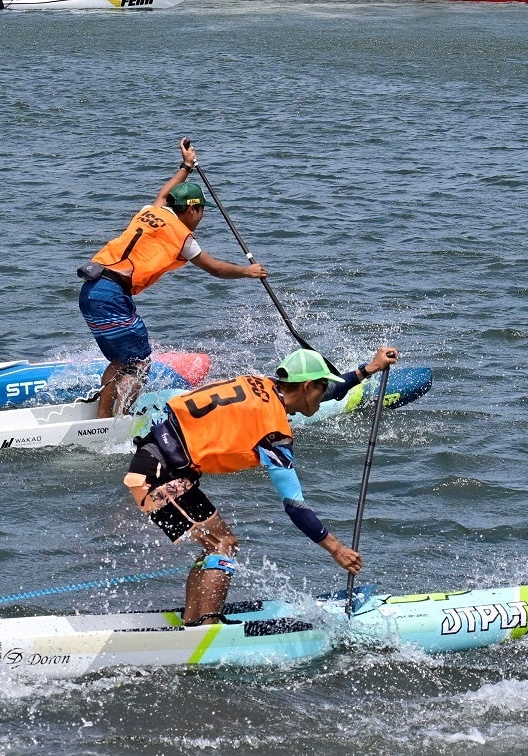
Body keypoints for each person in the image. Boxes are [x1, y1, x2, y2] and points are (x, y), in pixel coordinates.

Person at [123, 347, 398, 626]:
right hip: (159, 478)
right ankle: (207, 628)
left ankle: (194, 622)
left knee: (214, 545)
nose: (325, 394)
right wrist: (336, 548)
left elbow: (324, 394)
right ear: (306, 386)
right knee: (222, 544)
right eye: (322, 385)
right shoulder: (273, 432)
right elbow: (295, 505)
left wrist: (369, 368)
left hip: (156, 464)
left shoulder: (262, 385)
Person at [77, 138, 268, 418]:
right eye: (201, 211)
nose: (201, 218)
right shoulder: (182, 238)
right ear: (192, 209)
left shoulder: (151, 212)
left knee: (122, 360)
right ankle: (118, 420)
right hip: (112, 294)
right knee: (139, 362)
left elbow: (164, 195)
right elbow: (214, 268)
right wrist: (247, 271)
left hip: (91, 289)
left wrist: (186, 166)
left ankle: (103, 419)